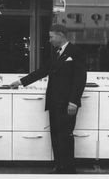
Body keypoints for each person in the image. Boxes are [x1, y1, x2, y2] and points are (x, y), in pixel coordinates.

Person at [10, 24, 87, 174]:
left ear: (61, 35)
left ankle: (69, 170)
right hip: (53, 102)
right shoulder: (56, 53)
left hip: (67, 104)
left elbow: (80, 79)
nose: (50, 40)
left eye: (52, 36)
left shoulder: (76, 52)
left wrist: (73, 102)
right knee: (56, 136)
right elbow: (42, 71)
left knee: (65, 136)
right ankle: (59, 167)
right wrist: (20, 82)